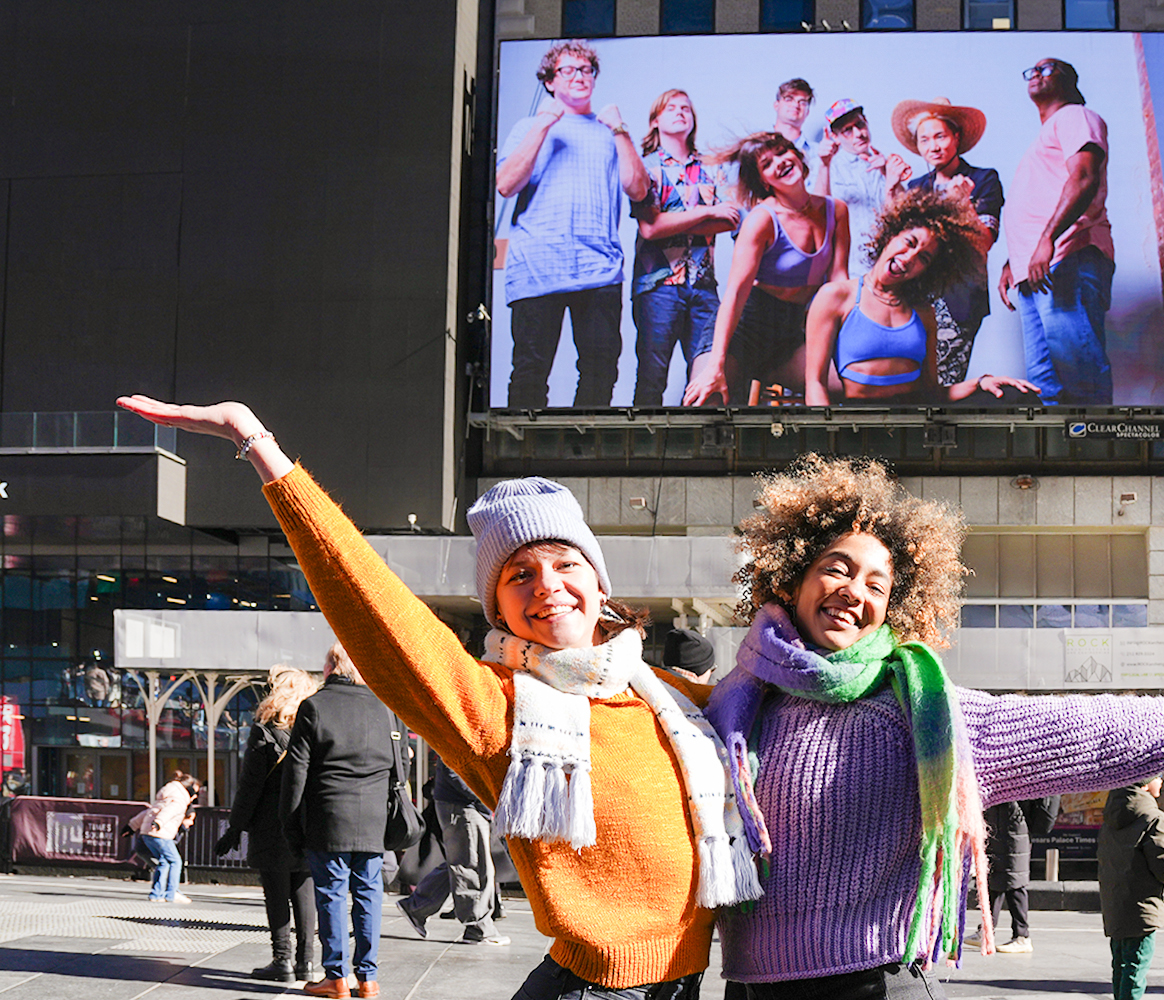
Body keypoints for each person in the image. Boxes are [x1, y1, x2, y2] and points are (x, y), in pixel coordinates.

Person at [115, 394, 761, 1000]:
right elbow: (381, 615)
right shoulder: (501, 705)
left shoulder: (676, 700)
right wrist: (256, 443)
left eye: (566, 563)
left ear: (598, 581)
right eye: (519, 574)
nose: (548, 585)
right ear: (500, 611)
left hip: (681, 985)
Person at [706, 455, 1164, 997]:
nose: (852, 591)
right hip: (752, 983)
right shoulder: (732, 703)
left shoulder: (924, 712)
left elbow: (1089, 729)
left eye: (876, 584)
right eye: (837, 568)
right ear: (794, 575)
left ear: (894, 608)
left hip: (874, 979)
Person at [496, 40, 648, 409]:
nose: (579, 76)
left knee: (601, 370)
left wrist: (620, 130)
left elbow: (638, 189)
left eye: (586, 70)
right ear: (550, 81)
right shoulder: (529, 127)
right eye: (568, 70)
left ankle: (581, 455)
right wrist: (546, 123)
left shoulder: (610, 132)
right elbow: (505, 184)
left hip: (598, 270)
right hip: (538, 267)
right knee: (530, 371)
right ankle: (528, 460)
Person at [803, 188, 1038, 406]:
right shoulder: (836, 296)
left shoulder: (923, 311)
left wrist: (981, 382)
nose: (909, 258)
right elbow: (815, 383)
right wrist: (826, 439)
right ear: (890, 236)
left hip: (914, 417)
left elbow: (932, 392)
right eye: (909, 243)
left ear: (927, 271)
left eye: (923, 258)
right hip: (861, 419)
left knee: (1016, 397)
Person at [682, 133, 849, 406]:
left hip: (794, 331)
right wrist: (716, 364)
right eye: (767, 164)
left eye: (784, 152)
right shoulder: (761, 220)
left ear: (797, 154)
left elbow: (838, 283)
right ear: (763, 181)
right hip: (746, 325)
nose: (780, 163)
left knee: (856, 382)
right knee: (704, 400)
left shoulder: (836, 211)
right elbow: (735, 295)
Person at [279, 643, 395, 999]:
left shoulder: (314, 706)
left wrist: (291, 820)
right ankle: (369, 978)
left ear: (331, 667)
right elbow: (397, 766)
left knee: (330, 894)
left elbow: (296, 771)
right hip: (374, 817)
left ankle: (336, 977)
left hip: (328, 816)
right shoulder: (384, 707)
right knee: (369, 895)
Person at [999, 58, 1115, 405]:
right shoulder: (1044, 137)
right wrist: (1013, 262)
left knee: (1081, 374)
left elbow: (1084, 178)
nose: (1036, 74)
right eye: (1031, 71)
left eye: (1047, 69)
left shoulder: (1075, 116)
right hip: (1037, 268)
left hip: (1068, 256)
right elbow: (1040, 201)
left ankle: (1101, 455)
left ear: (1070, 81)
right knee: (1045, 386)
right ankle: (1060, 457)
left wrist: (1046, 240)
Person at [630, 89, 742, 406]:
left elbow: (730, 218)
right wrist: (706, 212)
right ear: (655, 121)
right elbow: (649, 228)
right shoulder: (644, 167)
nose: (681, 113)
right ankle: (645, 450)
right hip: (658, 287)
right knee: (652, 378)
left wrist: (671, 221)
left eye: (686, 109)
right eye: (671, 108)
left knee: (709, 377)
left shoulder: (712, 166)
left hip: (705, 287)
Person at [215, 665, 323, 982]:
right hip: (306, 822)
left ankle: (282, 961)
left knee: (276, 894)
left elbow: (251, 785)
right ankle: (307, 963)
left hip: (271, 823)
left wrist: (235, 827)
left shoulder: (265, 730)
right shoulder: (317, 727)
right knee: (305, 892)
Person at [894, 98, 1004, 385]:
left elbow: (984, 242)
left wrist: (964, 204)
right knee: (907, 380)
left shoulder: (983, 180)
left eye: (940, 136)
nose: (934, 146)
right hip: (916, 297)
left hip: (958, 297)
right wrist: (892, 188)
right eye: (924, 139)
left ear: (957, 137)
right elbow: (898, 241)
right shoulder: (915, 187)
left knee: (944, 384)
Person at [1097, 774, 1164, 1000]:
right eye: (1160, 775)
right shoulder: (1153, 817)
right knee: (1135, 969)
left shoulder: (1111, 817)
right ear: (1145, 780)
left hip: (1116, 905)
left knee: (1121, 967)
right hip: (1142, 907)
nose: (1163, 780)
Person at [399, 760, 508, 946]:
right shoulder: (460, 735)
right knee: (473, 865)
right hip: (463, 804)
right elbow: (453, 771)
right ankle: (478, 927)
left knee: (464, 861)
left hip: (465, 803)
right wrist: (482, 798)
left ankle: (417, 907)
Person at [814, 99, 913, 275]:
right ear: (835, 137)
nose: (858, 133)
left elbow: (907, 211)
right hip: (850, 270)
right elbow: (817, 214)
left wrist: (889, 175)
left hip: (890, 266)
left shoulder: (886, 161)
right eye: (847, 131)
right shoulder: (827, 167)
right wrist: (824, 165)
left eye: (860, 125)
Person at [980, 796, 1058, 954]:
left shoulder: (1017, 791)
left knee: (1015, 884)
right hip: (1005, 833)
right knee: (996, 882)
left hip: (1014, 834)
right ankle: (987, 931)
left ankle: (1022, 936)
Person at [136, 771, 201, 904]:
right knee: (175, 861)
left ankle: (156, 894)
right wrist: (159, 822)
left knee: (164, 861)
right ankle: (171, 893)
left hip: (147, 832)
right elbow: (168, 811)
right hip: (161, 833)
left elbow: (148, 811)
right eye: (194, 792)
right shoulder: (179, 799)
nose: (195, 796)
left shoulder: (166, 794)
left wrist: (132, 825)